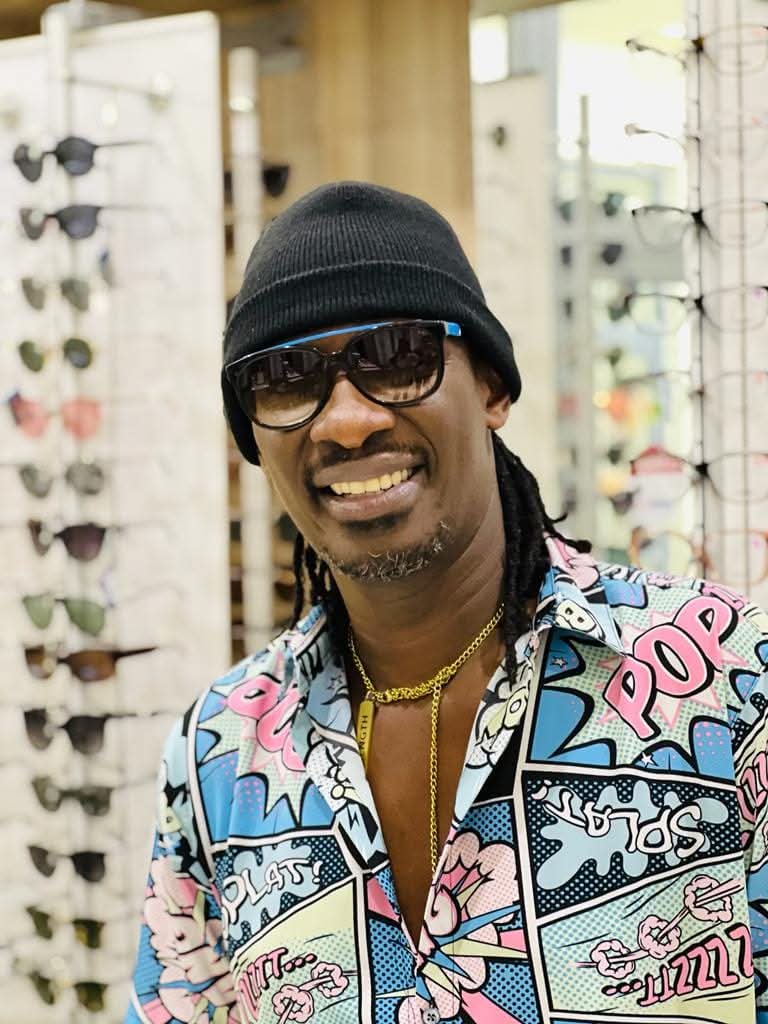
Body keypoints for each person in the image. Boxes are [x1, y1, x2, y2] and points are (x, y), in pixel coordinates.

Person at [127, 182, 768, 1024]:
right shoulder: (217, 756)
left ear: (493, 388)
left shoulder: (730, 678)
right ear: (254, 436)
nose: (346, 421)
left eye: (399, 356)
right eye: (286, 377)